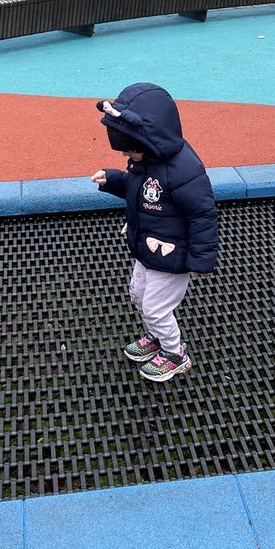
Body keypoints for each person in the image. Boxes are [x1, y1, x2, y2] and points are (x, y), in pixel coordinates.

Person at [90, 83, 218, 383]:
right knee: (138, 296)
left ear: (150, 139)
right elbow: (139, 192)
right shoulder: (146, 159)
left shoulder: (183, 171)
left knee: (156, 307)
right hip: (146, 248)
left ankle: (175, 354)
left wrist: (201, 260)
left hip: (172, 255)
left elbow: (203, 214)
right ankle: (157, 335)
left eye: (129, 149)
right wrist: (111, 180)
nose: (125, 154)